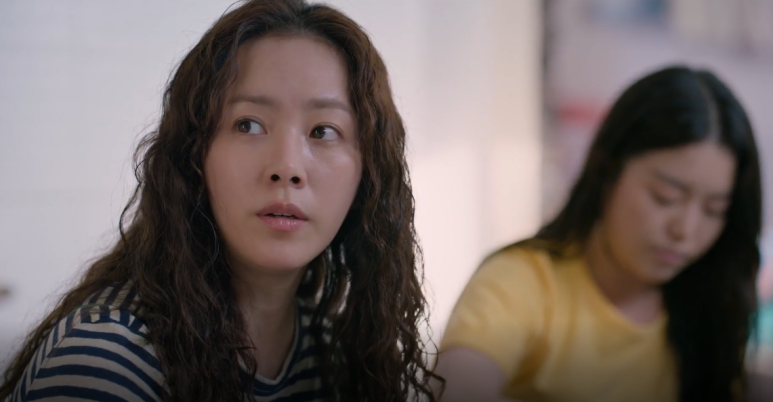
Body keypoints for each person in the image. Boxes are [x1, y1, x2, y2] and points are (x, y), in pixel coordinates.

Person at [0, 0, 439, 401]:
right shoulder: (107, 357)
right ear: (194, 156)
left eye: (323, 131)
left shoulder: (334, 357)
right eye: (248, 124)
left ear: (369, 175)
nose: (287, 167)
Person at [433, 66, 770, 402]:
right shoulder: (521, 283)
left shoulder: (706, 301)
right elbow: (457, 390)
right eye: (665, 197)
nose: (685, 230)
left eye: (714, 210)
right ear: (607, 170)